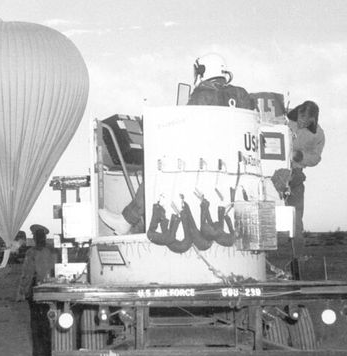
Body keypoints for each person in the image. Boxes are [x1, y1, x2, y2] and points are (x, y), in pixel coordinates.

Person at [98, 53, 253, 235]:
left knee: (159, 169)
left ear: (203, 71)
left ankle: (127, 220)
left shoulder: (202, 95)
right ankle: (140, 223)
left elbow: (185, 133)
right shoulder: (241, 95)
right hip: (238, 170)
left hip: (203, 165)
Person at [285, 101, 325, 258]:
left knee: (296, 220)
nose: (302, 121)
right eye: (301, 116)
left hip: (295, 175)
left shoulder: (318, 135)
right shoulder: (285, 119)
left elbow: (316, 158)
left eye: (307, 119)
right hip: (272, 173)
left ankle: (298, 259)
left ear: (313, 120)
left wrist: (300, 156)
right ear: (297, 112)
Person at [17, 224, 55, 356]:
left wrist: (22, 292)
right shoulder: (52, 251)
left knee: (36, 322)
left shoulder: (31, 253)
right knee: (50, 320)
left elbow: (27, 274)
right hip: (52, 290)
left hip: (36, 291)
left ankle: (39, 352)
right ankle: (51, 351)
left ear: (35, 238)